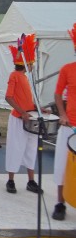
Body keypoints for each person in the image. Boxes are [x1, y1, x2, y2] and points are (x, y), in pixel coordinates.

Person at [4, 34, 41, 194]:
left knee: (31, 149)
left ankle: (31, 181)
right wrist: (22, 112)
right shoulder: (14, 76)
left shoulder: (25, 77)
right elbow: (8, 97)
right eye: (32, 63)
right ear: (28, 63)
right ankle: (10, 180)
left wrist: (36, 108)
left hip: (30, 117)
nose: (33, 66)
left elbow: (25, 99)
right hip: (19, 119)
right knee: (15, 148)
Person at [52, 23, 76, 220]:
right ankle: (60, 203)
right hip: (69, 126)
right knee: (61, 163)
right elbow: (58, 94)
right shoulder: (67, 69)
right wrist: (63, 114)